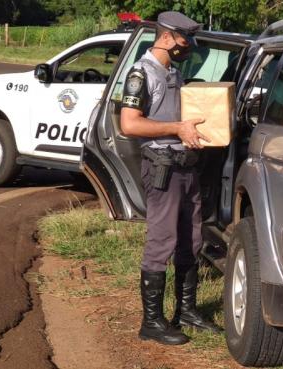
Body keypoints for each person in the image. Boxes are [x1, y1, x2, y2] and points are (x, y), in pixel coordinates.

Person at [119, 11, 220, 346]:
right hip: (162, 166)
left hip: (186, 166)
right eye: (183, 39)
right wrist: (177, 128)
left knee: (191, 240)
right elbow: (130, 125)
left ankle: (186, 311)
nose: (188, 45)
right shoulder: (140, 74)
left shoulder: (173, 72)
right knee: (161, 241)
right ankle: (151, 322)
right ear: (165, 38)